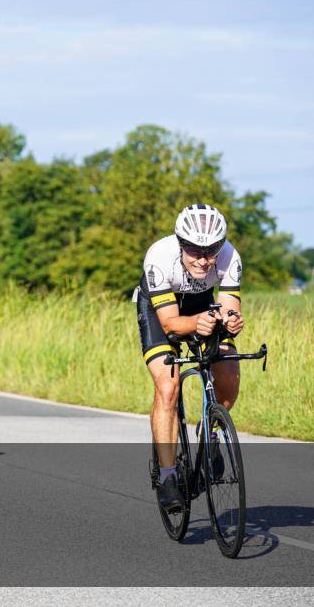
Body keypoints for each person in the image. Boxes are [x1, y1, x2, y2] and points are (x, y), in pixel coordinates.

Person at [138, 204, 244, 513]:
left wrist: (232, 320)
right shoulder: (159, 257)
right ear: (181, 244)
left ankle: (210, 429)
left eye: (210, 251)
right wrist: (198, 322)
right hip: (161, 309)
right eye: (194, 251)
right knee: (168, 386)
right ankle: (168, 476)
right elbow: (171, 323)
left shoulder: (229, 256)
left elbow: (228, 306)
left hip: (201, 302)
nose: (202, 260)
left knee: (228, 364)